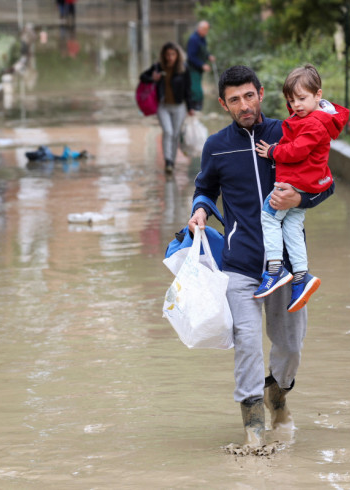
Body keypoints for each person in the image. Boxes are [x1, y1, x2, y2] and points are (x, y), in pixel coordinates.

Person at [187, 65, 334, 449]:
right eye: (234, 100)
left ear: (262, 93)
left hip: (286, 268)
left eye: (249, 95)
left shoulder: (287, 132)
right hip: (239, 266)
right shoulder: (216, 146)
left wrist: (301, 198)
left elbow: (324, 182)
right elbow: (204, 188)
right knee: (247, 342)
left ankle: (278, 395)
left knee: (290, 346)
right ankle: (253, 430)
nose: (244, 105)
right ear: (223, 104)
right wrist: (201, 210)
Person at [252, 64, 349, 312]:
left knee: (269, 216)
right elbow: (298, 119)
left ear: (319, 95)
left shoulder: (314, 124)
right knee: (293, 226)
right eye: (291, 100)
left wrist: (273, 151)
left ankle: (274, 270)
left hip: (294, 182)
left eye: (302, 99)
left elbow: (296, 151)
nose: (296, 106)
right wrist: (298, 102)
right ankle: (301, 276)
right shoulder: (313, 117)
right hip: (306, 183)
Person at [139, 42, 194, 174]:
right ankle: (168, 161)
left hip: (179, 106)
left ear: (177, 55)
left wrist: (190, 107)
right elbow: (143, 77)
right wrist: (153, 78)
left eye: (173, 54)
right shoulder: (158, 67)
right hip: (163, 106)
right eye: (168, 54)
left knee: (175, 134)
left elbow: (188, 89)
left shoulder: (184, 69)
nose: (170, 57)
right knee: (168, 132)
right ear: (164, 55)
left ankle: (172, 162)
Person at [186, 20, 215, 111]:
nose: (206, 32)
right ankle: (194, 107)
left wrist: (208, 56)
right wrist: (202, 64)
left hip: (199, 69)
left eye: (207, 30)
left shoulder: (202, 38)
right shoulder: (193, 39)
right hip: (193, 68)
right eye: (205, 30)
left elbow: (203, 50)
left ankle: (198, 108)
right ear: (200, 29)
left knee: (197, 87)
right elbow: (191, 56)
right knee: (196, 89)